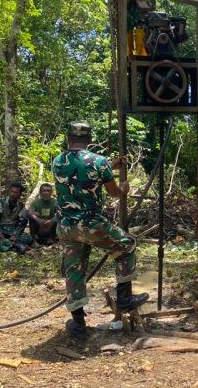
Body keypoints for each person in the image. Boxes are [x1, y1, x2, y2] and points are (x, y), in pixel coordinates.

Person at [52, 122, 148, 340]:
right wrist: (123, 188)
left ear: (68, 139)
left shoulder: (57, 162)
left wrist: (110, 166)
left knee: (74, 271)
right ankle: (124, 299)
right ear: (89, 139)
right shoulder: (99, 162)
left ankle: (78, 326)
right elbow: (114, 192)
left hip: (66, 227)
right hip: (91, 225)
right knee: (127, 245)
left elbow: (78, 174)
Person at [0, 183, 32, 254]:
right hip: (1, 230)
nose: (12, 194)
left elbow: (22, 223)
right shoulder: (0, 202)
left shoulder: (21, 206)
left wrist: (15, 235)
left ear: (20, 195)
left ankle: (6, 244)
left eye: (15, 192)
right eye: (11, 191)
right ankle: (16, 246)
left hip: (13, 231)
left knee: (28, 239)